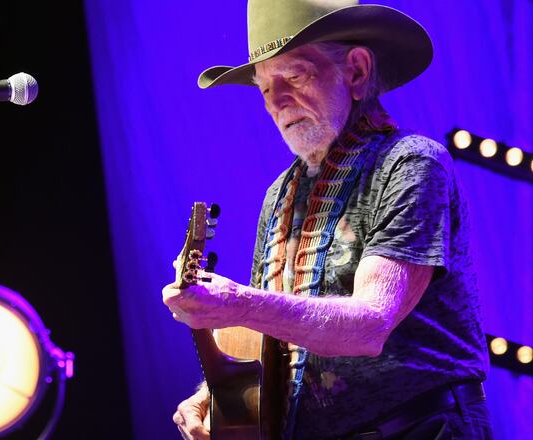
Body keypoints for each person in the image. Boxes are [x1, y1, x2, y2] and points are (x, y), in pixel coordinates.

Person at [161, 1, 493, 439]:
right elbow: (274, 333)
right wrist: (215, 389)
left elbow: (370, 324)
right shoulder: (280, 194)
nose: (277, 103)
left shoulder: (411, 164)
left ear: (355, 71)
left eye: (294, 76)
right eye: (263, 88)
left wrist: (237, 303)